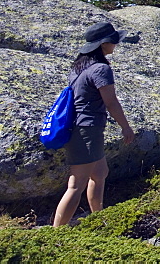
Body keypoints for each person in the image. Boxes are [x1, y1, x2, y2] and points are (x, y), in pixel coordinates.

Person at [53, 22, 135, 227]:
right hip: (86, 129)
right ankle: (54, 235)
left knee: (99, 173)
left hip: (84, 127)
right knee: (76, 184)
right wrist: (125, 127)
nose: (115, 45)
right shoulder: (100, 69)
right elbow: (111, 102)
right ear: (104, 44)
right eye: (113, 41)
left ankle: (98, 219)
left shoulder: (80, 67)